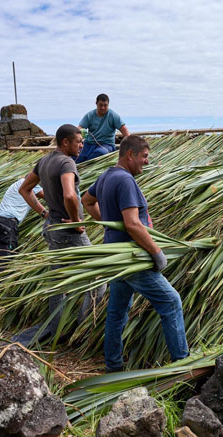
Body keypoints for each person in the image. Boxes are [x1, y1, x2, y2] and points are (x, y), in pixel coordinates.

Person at [82, 135, 189, 372]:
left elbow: (86, 201)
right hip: (133, 256)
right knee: (171, 302)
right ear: (130, 154)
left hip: (118, 258)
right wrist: (157, 251)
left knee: (117, 311)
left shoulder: (106, 176)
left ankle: (113, 365)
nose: (147, 162)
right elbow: (132, 224)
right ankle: (182, 365)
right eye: (144, 156)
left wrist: (109, 223)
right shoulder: (125, 180)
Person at [17, 124, 105, 344]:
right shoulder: (67, 163)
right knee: (98, 277)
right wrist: (76, 221)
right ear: (65, 142)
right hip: (68, 232)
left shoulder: (45, 161)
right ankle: (83, 333)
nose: (82, 145)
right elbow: (69, 195)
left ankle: (55, 331)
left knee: (58, 281)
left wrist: (44, 213)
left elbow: (26, 189)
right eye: (78, 141)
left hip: (52, 228)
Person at [0, 177, 46, 311]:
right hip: (6, 224)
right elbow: (47, 197)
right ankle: (1, 304)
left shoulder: (19, 182)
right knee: (6, 265)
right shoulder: (29, 183)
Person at [75, 94, 130, 163]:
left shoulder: (113, 115)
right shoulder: (90, 115)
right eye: (101, 105)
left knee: (100, 152)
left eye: (105, 105)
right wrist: (81, 133)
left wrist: (129, 145)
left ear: (108, 104)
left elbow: (124, 130)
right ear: (96, 103)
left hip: (107, 145)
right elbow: (78, 129)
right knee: (77, 156)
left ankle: (87, 165)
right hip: (89, 144)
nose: (103, 108)